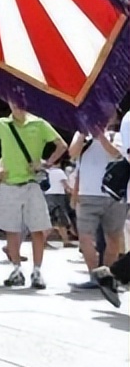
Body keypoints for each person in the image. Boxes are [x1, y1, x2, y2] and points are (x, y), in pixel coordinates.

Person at [0, 103, 67, 290]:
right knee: (11, 229)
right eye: (14, 101)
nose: (18, 106)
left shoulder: (39, 123)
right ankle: (16, 269)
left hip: (31, 183)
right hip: (9, 184)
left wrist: (45, 164)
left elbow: (61, 145)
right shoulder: (2, 123)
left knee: (38, 228)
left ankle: (37, 270)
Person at [67, 116, 124, 289]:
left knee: (113, 238)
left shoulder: (117, 135)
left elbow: (115, 153)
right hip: (87, 194)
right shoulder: (81, 134)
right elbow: (72, 153)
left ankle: (107, 276)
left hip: (114, 195)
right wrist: (84, 132)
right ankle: (94, 275)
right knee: (85, 238)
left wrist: (101, 135)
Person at [44, 161, 76, 249]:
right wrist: (73, 193)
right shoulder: (59, 172)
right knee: (59, 219)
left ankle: (66, 241)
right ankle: (44, 240)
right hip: (58, 196)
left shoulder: (47, 172)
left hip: (47, 195)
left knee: (56, 220)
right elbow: (66, 185)